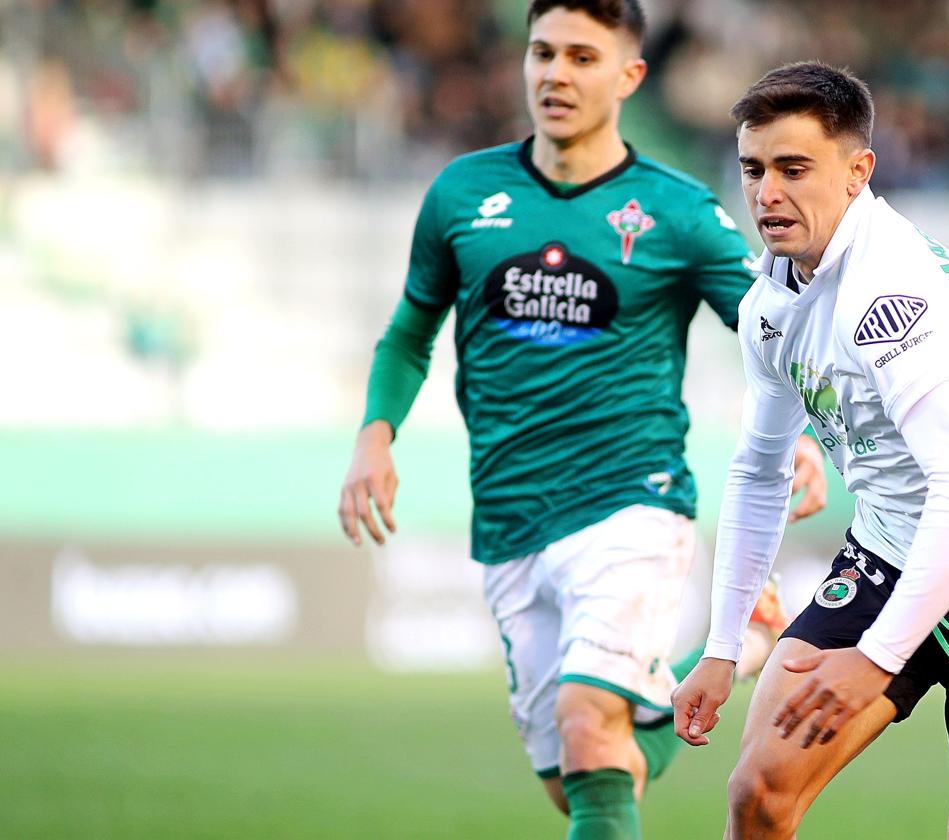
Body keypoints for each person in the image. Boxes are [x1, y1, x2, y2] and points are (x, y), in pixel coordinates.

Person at [337, 4, 826, 838]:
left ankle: (734, 646)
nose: (556, 74)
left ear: (630, 76)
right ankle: (745, 646)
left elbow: (768, 327)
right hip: (510, 518)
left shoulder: (673, 211)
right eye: (542, 52)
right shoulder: (464, 193)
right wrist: (374, 435)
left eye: (582, 56)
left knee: (588, 720)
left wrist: (803, 431)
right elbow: (411, 331)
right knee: (586, 778)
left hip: (632, 500)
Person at [671, 62, 949, 840]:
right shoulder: (772, 302)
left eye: (793, 169)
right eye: (754, 168)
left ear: (858, 170)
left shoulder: (889, 296)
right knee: (759, 795)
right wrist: (721, 645)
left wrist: (874, 659)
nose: (767, 192)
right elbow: (759, 467)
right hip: (890, 553)